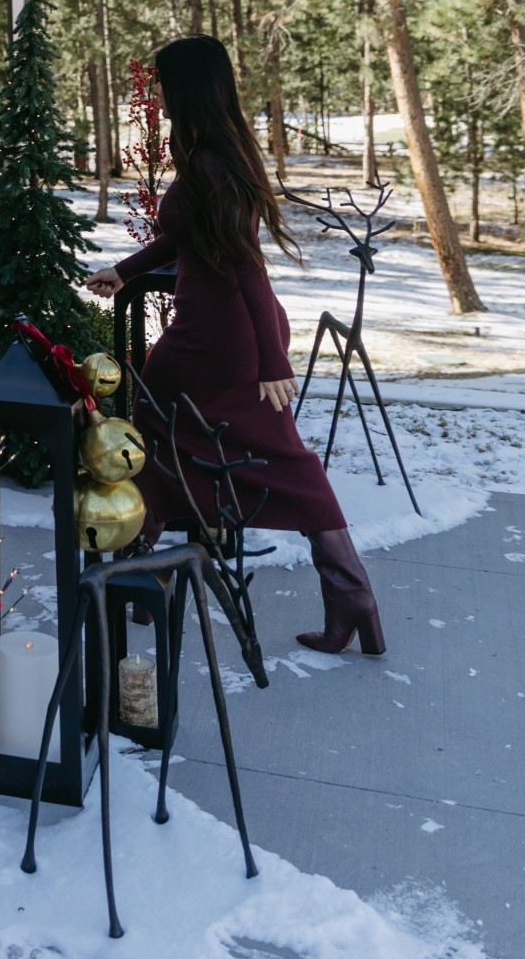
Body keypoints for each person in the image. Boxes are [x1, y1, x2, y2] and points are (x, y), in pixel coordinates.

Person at [86, 35, 384, 657]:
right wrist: (128, 269)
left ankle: (141, 570)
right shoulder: (212, 154)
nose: (158, 93)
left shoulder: (212, 162)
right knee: (173, 434)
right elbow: (187, 238)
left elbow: (246, 263)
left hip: (220, 340)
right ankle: (346, 594)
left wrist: (272, 364)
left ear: (188, 87)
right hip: (226, 334)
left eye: (164, 82)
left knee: (182, 435)